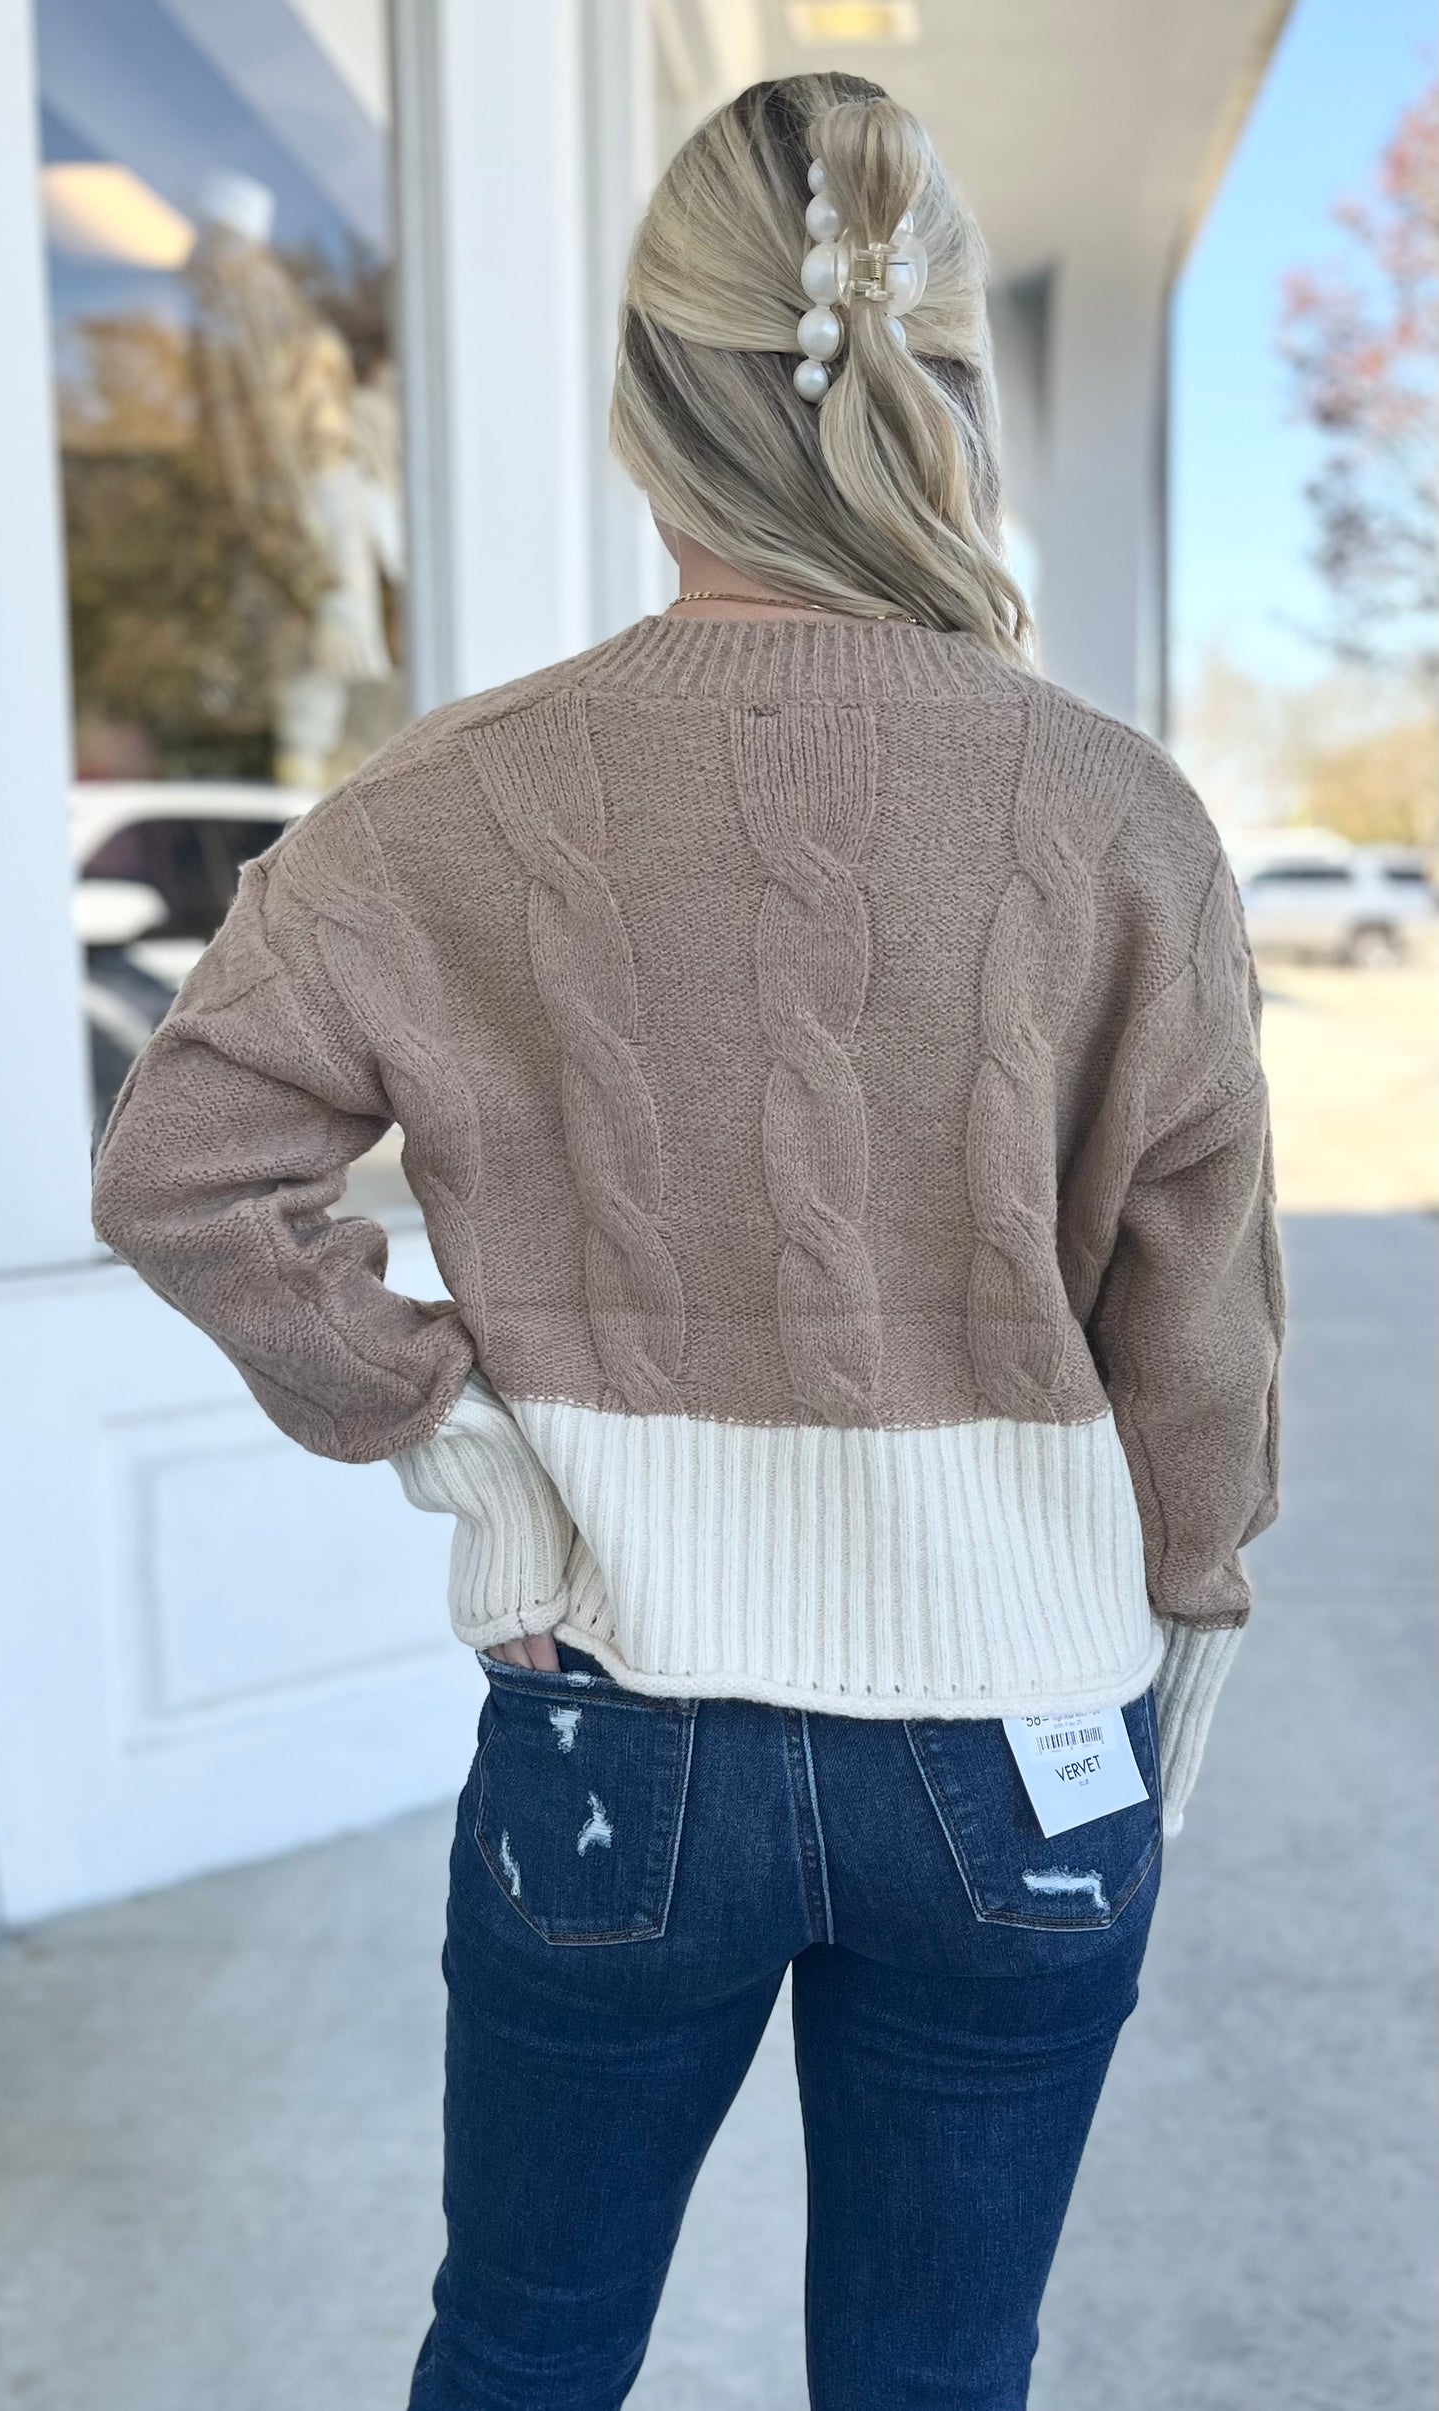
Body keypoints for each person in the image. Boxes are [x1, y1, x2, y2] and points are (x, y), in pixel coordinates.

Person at [90, 70, 1284, 2411]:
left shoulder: (446, 804)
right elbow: (1201, 1319)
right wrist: (1186, 1627)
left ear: (648, 413)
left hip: (616, 1722)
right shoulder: (1122, 818)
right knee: (939, 2375)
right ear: (950, 398)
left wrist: (470, 1448)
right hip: (1021, 1742)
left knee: (524, 2353)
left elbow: (175, 1167)